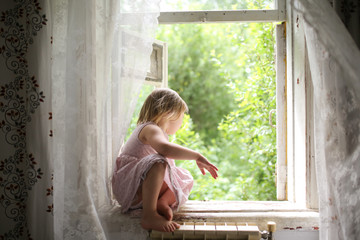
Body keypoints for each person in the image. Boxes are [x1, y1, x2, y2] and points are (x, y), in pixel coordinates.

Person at [112, 88, 218, 232]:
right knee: (158, 162)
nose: (181, 121)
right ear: (169, 114)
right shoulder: (150, 129)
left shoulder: (155, 131)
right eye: (181, 116)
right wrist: (196, 156)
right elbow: (165, 149)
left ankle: (162, 203)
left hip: (139, 189)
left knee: (184, 177)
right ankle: (149, 215)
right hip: (131, 189)